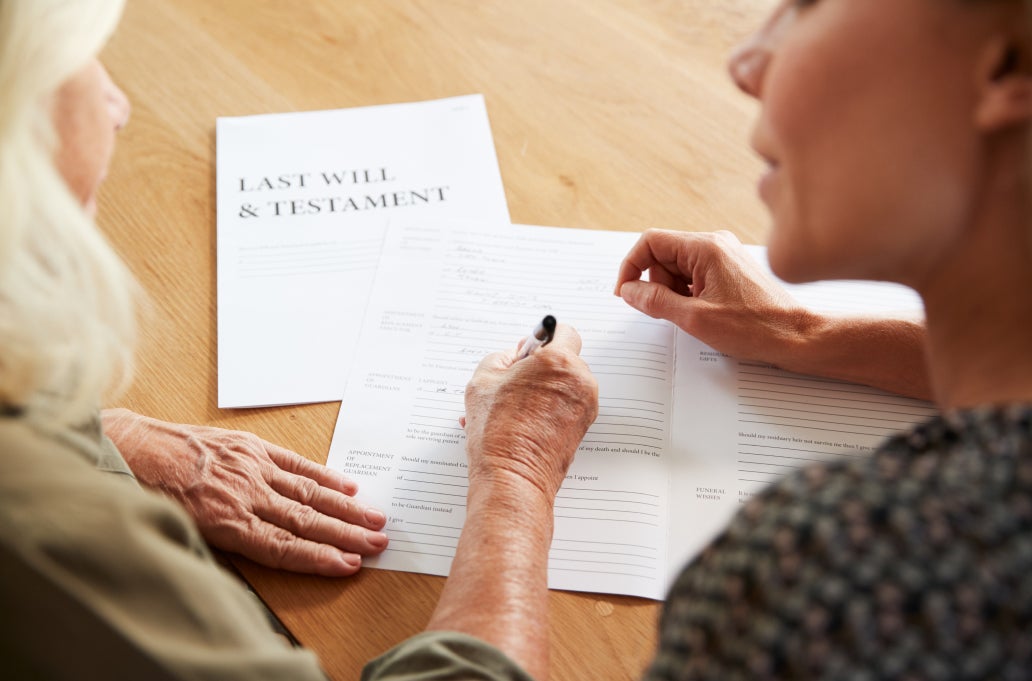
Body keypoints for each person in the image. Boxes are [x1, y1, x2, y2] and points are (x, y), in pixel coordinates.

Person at [361, 0, 1032, 679]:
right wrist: (800, 334)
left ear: (1005, 73)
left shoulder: (825, 574)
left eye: (808, 5)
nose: (744, 63)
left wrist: (514, 471)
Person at [0, 0, 386, 676]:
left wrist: (102, 441)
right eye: (69, 63)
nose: (117, 104)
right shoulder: (41, 541)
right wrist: (514, 478)